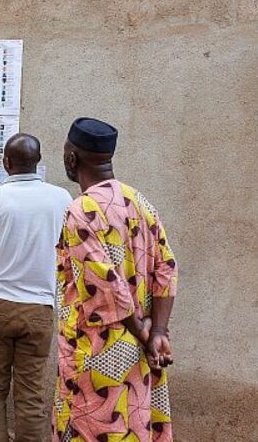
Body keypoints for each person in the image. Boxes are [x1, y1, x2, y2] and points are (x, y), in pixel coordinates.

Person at [51, 118, 178, 442]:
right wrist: (156, 332)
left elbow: (108, 288)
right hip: (139, 352)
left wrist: (144, 333)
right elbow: (167, 268)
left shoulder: (81, 210)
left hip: (95, 353)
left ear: (71, 158)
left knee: (91, 430)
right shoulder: (140, 202)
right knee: (133, 429)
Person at [0, 133, 72, 442]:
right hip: (39, 309)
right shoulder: (62, 198)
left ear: (6, 164)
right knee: (31, 395)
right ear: (38, 163)